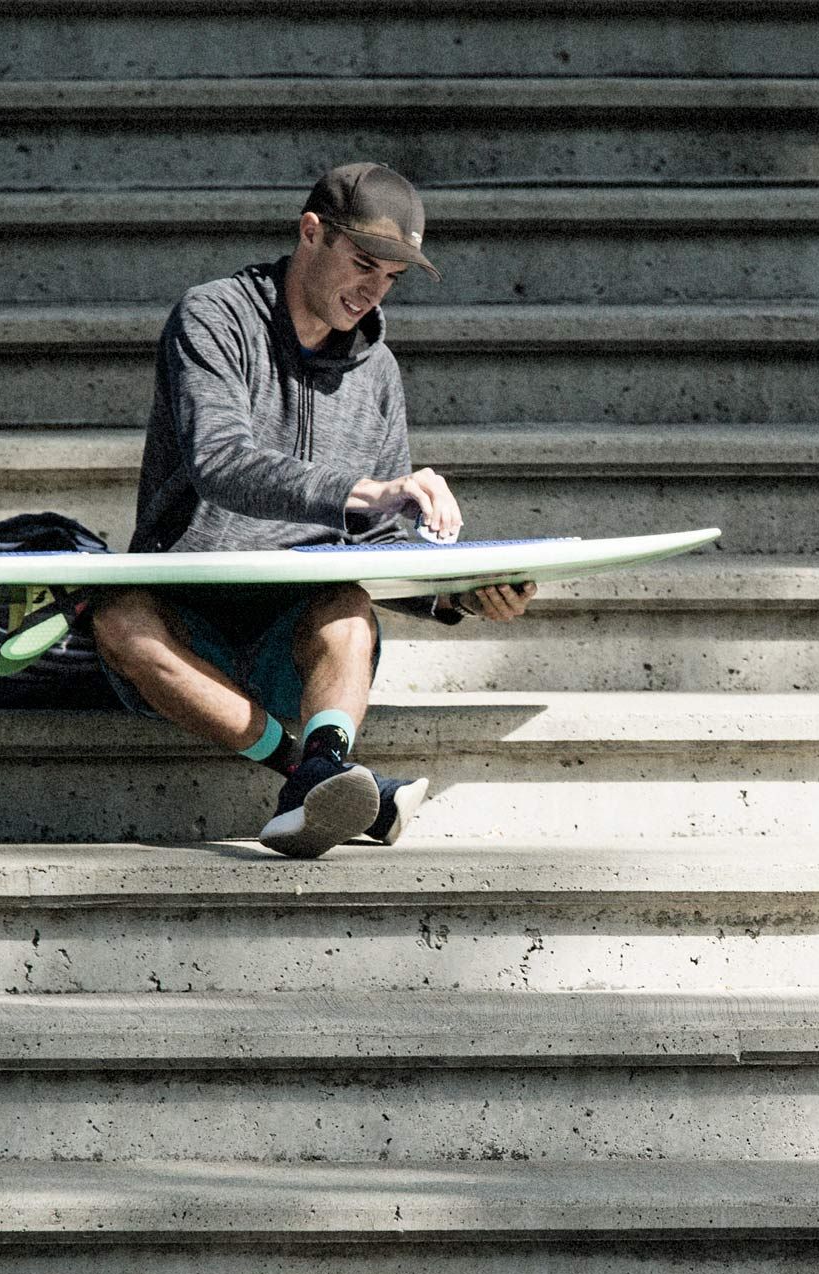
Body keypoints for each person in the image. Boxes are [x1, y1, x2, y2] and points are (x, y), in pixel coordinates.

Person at [93, 161, 534, 858]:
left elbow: (382, 539)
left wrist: (456, 595)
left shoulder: (377, 372)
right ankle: (312, 772)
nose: (373, 291)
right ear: (310, 233)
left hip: (292, 634)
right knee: (118, 621)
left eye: (392, 278)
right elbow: (221, 463)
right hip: (187, 614)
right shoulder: (213, 319)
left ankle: (322, 770)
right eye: (363, 264)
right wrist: (363, 490)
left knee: (348, 604)